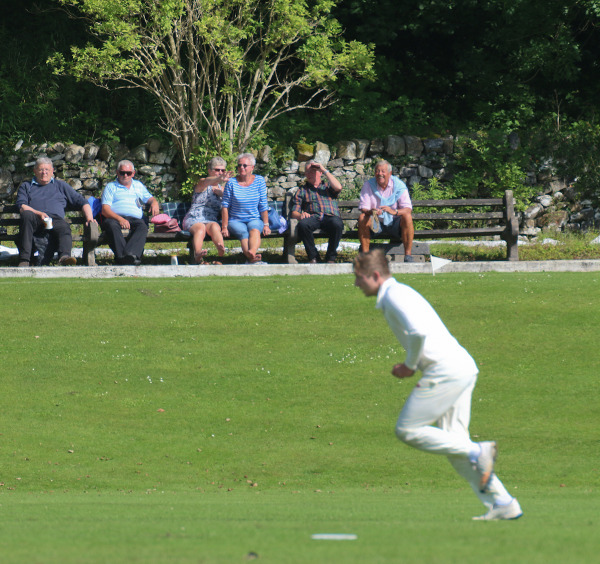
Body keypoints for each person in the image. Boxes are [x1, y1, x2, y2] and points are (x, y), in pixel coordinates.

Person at [353, 249, 523, 521]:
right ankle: (504, 502)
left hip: (445, 370)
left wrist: (409, 365)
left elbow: (418, 333)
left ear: (375, 275)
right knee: (453, 447)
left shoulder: (395, 296)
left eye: (359, 278)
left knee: (407, 430)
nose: (356, 284)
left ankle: (477, 451)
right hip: (460, 366)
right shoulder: (398, 293)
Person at [16, 157, 96, 267]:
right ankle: (25, 259)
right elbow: (22, 206)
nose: (44, 173)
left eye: (47, 170)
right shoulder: (26, 186)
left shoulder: (60, 186)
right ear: (35, 171)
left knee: (64, 227)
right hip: (34, 219)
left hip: (54, 220)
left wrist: (90, 219)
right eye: (41, 170)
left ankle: (64, 257)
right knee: (26, 214)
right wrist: (38, 213)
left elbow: (82, 202)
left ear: (52, 171)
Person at [100, 160, 159, 265]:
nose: (125, 175)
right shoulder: (111, 187)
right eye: (122, 173)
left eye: (129, 173)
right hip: (115, 218)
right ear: (117, 173)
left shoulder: (138, 185)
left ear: (133, 173)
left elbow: (149, 198)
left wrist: (154, 202)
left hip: (135, 219)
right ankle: (129, 257)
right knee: (111, 225)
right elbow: (105, 210)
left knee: (143, 226)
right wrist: (120, 219)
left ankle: (126, 256)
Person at [358, 160, 415, 262]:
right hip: (376, 223)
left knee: (407, 216)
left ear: (390, 173)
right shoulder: (368, 185)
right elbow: (363, 208)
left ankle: (408, 255)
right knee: (362, 217)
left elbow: (408, 209)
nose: (380, 174)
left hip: (395, 224)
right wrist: (371, 212)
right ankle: (365, 256)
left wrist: (394, 211)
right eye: (377, 171)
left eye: (383, 171)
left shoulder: (399, 185)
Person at [290, 160, 344, 263]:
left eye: (312, 171)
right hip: (313, 217)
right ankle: (313, 257)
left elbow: (338, 187)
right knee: (303, 225)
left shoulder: (327, 187)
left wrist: (323, 169)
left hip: (330, 216)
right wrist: (301, 215)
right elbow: (294, 212)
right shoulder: (302, 190)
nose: (309, 174)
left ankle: (330, 258)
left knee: (337, 224)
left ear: (320, 173)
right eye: (307, 172)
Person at [221, 153, 270, 264]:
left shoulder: (259, 181)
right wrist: (224, 227)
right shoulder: (231, 183)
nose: (241, 168)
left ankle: (252, 252)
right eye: (239, 165)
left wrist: (266, 224)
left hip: (254, 218)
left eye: (244, 165)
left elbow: (263, 204)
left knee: (255, 229)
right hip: (235, 219)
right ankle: (252, 258)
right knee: (243, 233)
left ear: (252, 167)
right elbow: (225, 206)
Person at [182, 157, 231, 264]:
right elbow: (207, 182)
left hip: (210, 219)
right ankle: (198, 254)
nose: (220, 173)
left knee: (215, 227)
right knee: (200, 227)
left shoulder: (222, 189)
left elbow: (231, 204)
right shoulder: (202, 183)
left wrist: (222, 194)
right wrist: (219, 179)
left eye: (222, 170)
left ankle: (221, 248)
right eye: (217, 170)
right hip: (194, 218)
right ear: (209, 170)